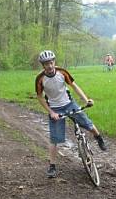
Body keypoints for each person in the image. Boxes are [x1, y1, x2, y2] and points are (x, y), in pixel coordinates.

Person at [35, 49, 107, 179]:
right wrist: (51, 112)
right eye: (46, 64)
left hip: (69, 104)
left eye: (51, 62)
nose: (50, 66)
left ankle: (99, 138)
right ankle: (52, 166)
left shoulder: (62, 72)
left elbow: (74, 86)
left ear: (54, 62)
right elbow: (40, 97)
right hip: (55, 109)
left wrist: (86, 100)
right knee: (55, 139)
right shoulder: (40, 79)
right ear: (43, 65)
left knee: (88, 125)